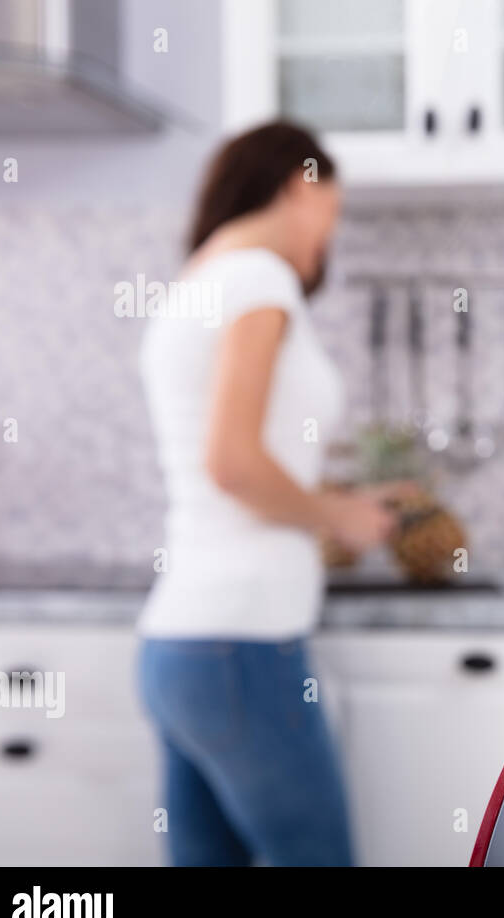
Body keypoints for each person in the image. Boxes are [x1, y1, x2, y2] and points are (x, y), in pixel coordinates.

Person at [136, 122, 392, 865]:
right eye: (332, 213)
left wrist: (332, 496)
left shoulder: (196, 282)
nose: (328, 241)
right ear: (301, 184)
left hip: (182, 645)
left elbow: (236, 460)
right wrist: (339, 515)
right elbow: (234, 466)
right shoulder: (259, 278)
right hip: (238, 645)